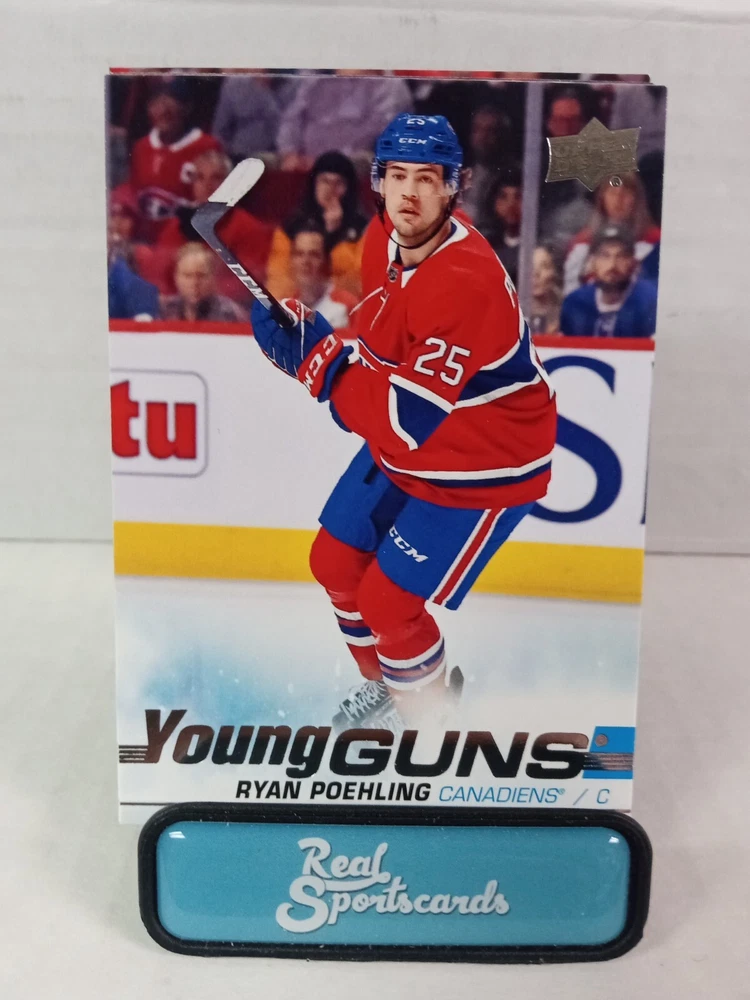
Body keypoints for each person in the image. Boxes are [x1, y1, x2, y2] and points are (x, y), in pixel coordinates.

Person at [250, 114, 557, 732]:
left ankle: (431, 723)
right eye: (397, 176)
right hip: (419, 440)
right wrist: (316, 346)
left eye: (427, 178)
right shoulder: (380, 239)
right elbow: (383, 355)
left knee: (389, 605)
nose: (409, 193)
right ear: (378, 182)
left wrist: (320, 368)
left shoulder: (465, 282)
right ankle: (392, 690)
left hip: (485, 460)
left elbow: (404, 420)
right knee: (334, 563)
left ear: (452, 188)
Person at [153, 149, 274, 299]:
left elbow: (249, 284)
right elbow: (159, 276)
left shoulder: (250, 228)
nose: (207, 185)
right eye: (200, 178)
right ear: (193, 184)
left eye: (216, 178)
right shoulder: (176, 225)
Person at [265, 151, 368, 300]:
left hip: (344, 305)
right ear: (314, 184)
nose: (331, 189)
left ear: (349, 189)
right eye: (325, 181)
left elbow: (359, 282)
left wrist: (333, 235)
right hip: (297, 302)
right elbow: (278, 279)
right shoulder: (291, 228)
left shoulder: (364, 230)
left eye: (338, 183)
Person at [129, 80, 222, 240]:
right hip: (145, 239)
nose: (163, 111)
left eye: (170, 105)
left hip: (186, 239)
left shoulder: (207, 146)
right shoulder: (141, 147)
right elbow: (133, 196)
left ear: (187, 108)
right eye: (157, 103)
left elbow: (213, 207)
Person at [276, 74, 412, 169]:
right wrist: (290, 152)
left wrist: (326, 162)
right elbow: (291, 120)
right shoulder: (314, 82)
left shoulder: (390, 87)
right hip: (303, 166)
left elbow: (379, 131)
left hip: (354, 168)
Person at [563, 172, 660, 294]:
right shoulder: (582, 243)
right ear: (602, 198)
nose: (618, 200)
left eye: (626, 194)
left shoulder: (656, 241)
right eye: (612, 193)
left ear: (637, 199)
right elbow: (571, 292)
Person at [559, 224, 657, 338]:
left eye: (621, 256)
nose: (612, 265)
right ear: (592, 261)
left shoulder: (650, 301)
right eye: (604, 256)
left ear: (633, 262)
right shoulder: (575, 302)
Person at [288, 224, 357, 330]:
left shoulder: (347, 306)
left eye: (314, 255)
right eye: (299, 254)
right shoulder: (287, 309)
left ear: (327, 261)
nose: (305, 261)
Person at [160, 244, 247, 322]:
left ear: (213, 278)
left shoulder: (230, 314)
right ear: (176, 277)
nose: (194, 283)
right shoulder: (164, 311)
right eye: (187, 276)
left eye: (201, 276)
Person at [460, 104, 513, 229]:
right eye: (477, 130)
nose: (482, 137)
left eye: (490, 131)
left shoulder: (512, 176)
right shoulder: (461, 171)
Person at [210, 75, 282, 162]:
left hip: (278, 156)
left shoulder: (290, 86)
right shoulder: (234, 85)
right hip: (239, 156)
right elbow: (220, 130)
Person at [479, 169, 522, 286]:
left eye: (518, 196)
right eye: (503, 196)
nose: (511, 204)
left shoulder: (539, 246)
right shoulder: (486, 244)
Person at [528, 246, 562, 335]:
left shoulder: (566, 311)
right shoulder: (508, 311)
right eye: (530, 267)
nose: (536, 273)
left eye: (544, 266)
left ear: (554, 272)